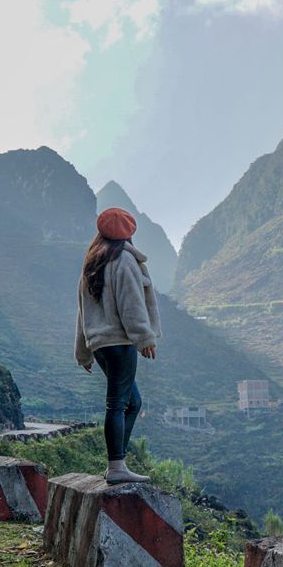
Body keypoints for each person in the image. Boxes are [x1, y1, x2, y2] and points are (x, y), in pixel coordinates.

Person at [75, 207, 161, 483]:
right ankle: (116, 466)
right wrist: (144, 338)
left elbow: (83, 311)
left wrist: (83, 351)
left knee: (132, 401)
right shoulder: (124, 261)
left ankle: (118, 461)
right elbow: (131, 303)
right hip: (120, 342)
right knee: (117, 403)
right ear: (129, 235)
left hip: (100, 345)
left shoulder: (92, 263)